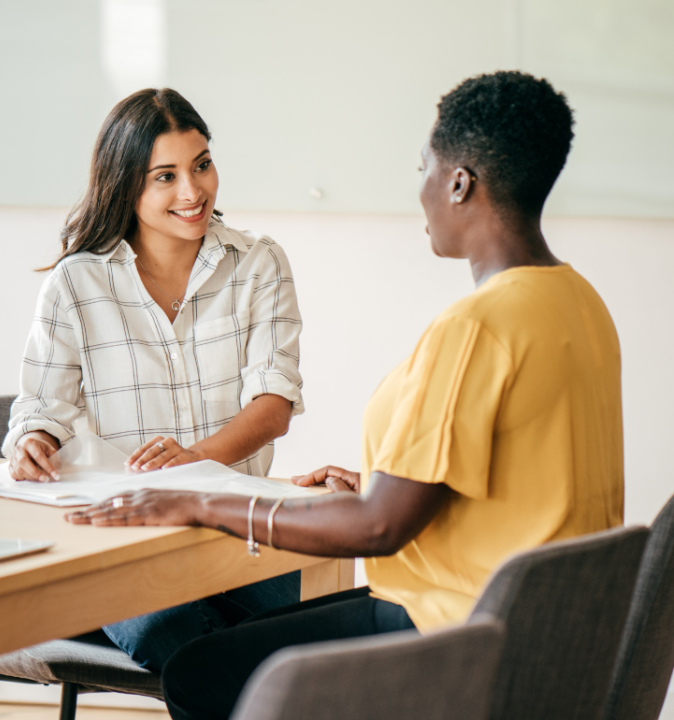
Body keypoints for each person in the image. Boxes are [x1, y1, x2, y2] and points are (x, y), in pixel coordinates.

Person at [67, 70, 624, 720]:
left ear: (459, 182)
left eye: (425, 167)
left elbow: (380, 528)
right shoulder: (578, 303)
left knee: (199, 672)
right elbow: (519, 487)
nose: (420, 189)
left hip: (457, 635)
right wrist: (377, 485)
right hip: (550, 637)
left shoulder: (475, 329)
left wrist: (197, 500)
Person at [3, 88, 305, 671]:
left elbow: (273, 405)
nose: (193, 192)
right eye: (164, 176)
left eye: (202, 165)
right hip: (123, 548)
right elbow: (39, 408)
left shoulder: (258, 263)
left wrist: (190, 463)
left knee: (314, 626)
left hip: (239, 540)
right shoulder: (75, 284)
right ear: (125, 185)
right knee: (183, 638)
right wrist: (33, 443)